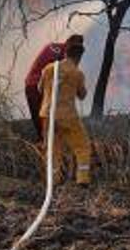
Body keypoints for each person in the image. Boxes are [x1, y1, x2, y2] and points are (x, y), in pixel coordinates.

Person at [37, 40, 92, 185]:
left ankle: (53, 181)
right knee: (82, 146)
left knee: (52, 149)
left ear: (65, 53)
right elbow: (82, 95)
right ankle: (82, 180)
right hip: (68, 116)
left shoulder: (48, 68)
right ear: (79, 57)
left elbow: (40, 88)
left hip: (48, 114)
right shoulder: (77, 73)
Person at [24, 34, 85, 140]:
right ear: (69, 44)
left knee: (43, 121)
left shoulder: (57, 49)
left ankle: (45, 142)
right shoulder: (59, 54)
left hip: (31, 84)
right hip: (36, 85)